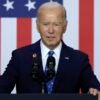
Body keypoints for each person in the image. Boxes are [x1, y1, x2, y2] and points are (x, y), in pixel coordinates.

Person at [0, 1, 100, 95]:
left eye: (56, 24)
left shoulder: (78, 59)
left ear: (65, 26)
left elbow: (94, 88)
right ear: (37, 26)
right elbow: (2, 88)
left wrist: (94, 91)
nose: (51, 30)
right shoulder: (20, 57)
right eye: (46, 24)